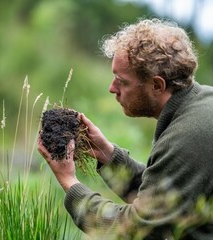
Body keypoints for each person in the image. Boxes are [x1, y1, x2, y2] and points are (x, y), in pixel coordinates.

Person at [38, 18, 213, 240]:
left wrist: (69, 182)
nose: (112, 88)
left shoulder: (189, 135)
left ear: (157, 85)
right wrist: (107, 155)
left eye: (121, 81)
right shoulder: (202, 104)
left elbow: (136, 230)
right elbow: (164, 194)